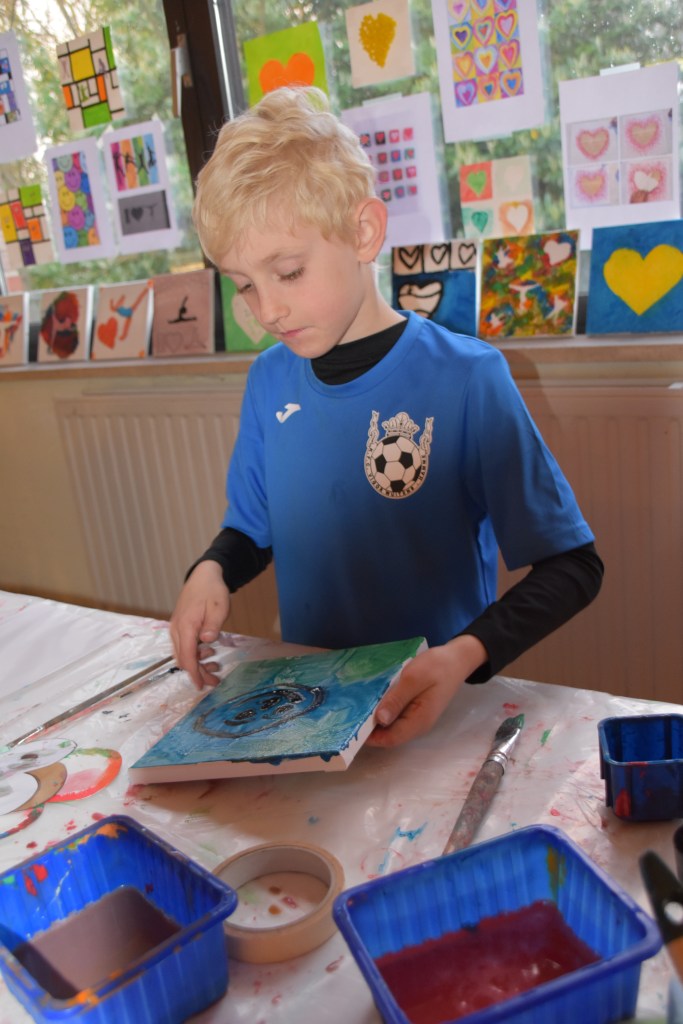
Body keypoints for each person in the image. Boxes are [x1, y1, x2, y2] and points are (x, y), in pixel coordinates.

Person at [169, 86, 603, 749]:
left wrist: (461, 657)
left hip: (437, 715)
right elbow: (252, 531)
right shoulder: (268, 380)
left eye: (289, 272)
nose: (266, 310)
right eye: (245, 284)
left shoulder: (467, 378)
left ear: (364, 232)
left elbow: (572, 568)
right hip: (309, 712)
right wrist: (210, 570)